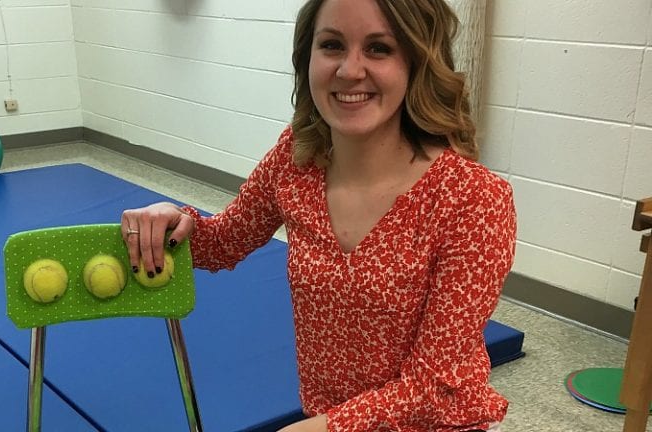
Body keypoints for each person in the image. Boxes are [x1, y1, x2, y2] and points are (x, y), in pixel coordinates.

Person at [121, 0, 516, 430]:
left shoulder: (473, 199)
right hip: (325, 418)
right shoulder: (297, 161)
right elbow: (222, 242)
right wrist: (173, 220)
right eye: (332, 45)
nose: (349, 70)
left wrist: (322, 428)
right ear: (307, 57)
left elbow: (432, 386)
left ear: (416, 63)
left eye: (379, 48)